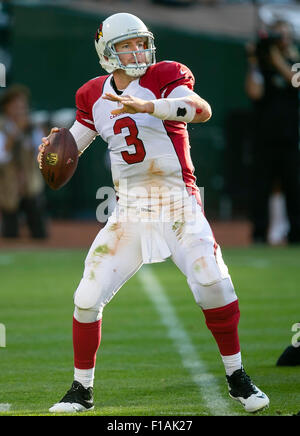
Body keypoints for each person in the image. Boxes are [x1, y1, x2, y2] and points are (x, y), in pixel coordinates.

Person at [39, 13, 269, 413]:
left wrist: (150, 105)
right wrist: (50, 151)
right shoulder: (93, 94)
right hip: (129, 208)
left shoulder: (166, 74)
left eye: (141, 42)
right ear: (106, 52)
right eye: (126, 45)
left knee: (213, 284)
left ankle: (237, 377)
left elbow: (200, 109)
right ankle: (81, 389)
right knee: (87, 296)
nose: (137, 51)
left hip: (178, 201)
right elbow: (72, 145)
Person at [245, 20, 300, 244]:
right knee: (260, 188)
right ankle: (259, 234)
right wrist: (254, 62)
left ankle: (295, 234)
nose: (280, 40)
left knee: (294, 188)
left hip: (290, 138)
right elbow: (254, 93)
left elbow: (296, 82)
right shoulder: (262, 65)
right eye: (276, 35)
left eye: (283, 35)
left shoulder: (294, 61)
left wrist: (277, 58)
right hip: (264, 138)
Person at [0, 84, 48, 239]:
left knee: (39, 233)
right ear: (7, 107)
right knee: (10, 233)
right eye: (16, 105)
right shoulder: (2, 126)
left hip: (29, 180)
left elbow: (40, 151)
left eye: (23, 105)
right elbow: (2, 155)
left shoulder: (32, 126)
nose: (20, 109)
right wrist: (16, 132)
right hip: (8, 181)